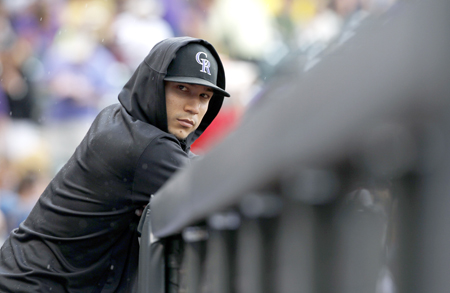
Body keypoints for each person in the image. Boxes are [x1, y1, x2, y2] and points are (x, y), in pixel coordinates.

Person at [0, 36, 230, 292]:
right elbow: (221, 185)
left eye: (205, 96)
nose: (194, 107)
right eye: (182, 89)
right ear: (154, 84)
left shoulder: (119, 118)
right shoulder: (146, 147)